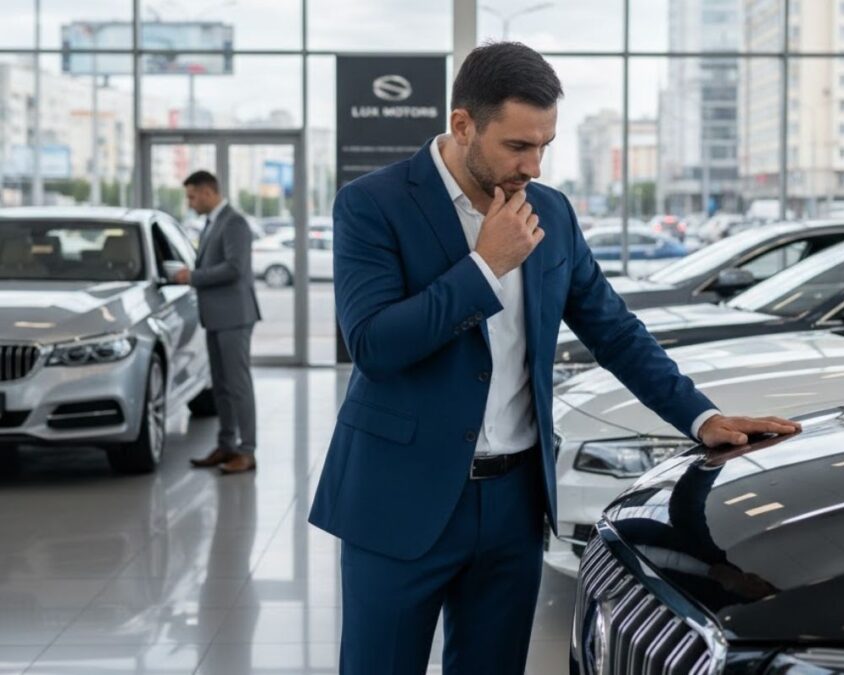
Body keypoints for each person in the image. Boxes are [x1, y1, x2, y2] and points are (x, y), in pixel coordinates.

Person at [309, 42, 801, 675]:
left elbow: (614, 329)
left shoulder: (553, 214)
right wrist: (486, 266)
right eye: (518, 146)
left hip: (513, 503)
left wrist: (700, 418)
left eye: (545, 145)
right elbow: (375, 345)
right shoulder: (372, 204)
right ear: (464, 126)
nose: (534, 166)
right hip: (399, 496)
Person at [175, 170, 261, 475]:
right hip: (215, 317)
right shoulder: (212, 223)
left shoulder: (234, 222)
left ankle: (247, 451)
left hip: (235, 316)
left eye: (192, 196)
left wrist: (192, 277)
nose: (190, 203)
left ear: (209, 192)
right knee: (221, 387)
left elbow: (235, 268)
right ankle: (226, 445)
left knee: (238, 386)